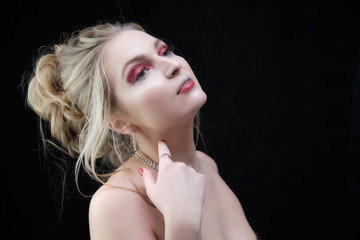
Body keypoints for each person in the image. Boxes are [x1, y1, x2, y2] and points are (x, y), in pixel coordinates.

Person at [26, 22, 259, 239]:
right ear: (118, 122)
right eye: (141, 73)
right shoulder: (116, 204)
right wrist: (181, 227)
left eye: (165, 51)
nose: (174, 65)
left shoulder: (205, 165)